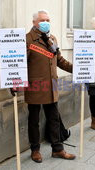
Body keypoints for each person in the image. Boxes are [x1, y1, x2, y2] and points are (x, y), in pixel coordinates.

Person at [11, 10, 75, 163]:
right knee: (34, 120)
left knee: (54, 119)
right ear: (34, 22)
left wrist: (77, 69)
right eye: (42, 20)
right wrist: (14, 82)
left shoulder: (52, 39)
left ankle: (57, 149)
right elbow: (18, 64)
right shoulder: (27, 39)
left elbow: (59, 60)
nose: (46, 22)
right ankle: (35, 150)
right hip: (34, 86)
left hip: (51, 86)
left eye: (48, 20)